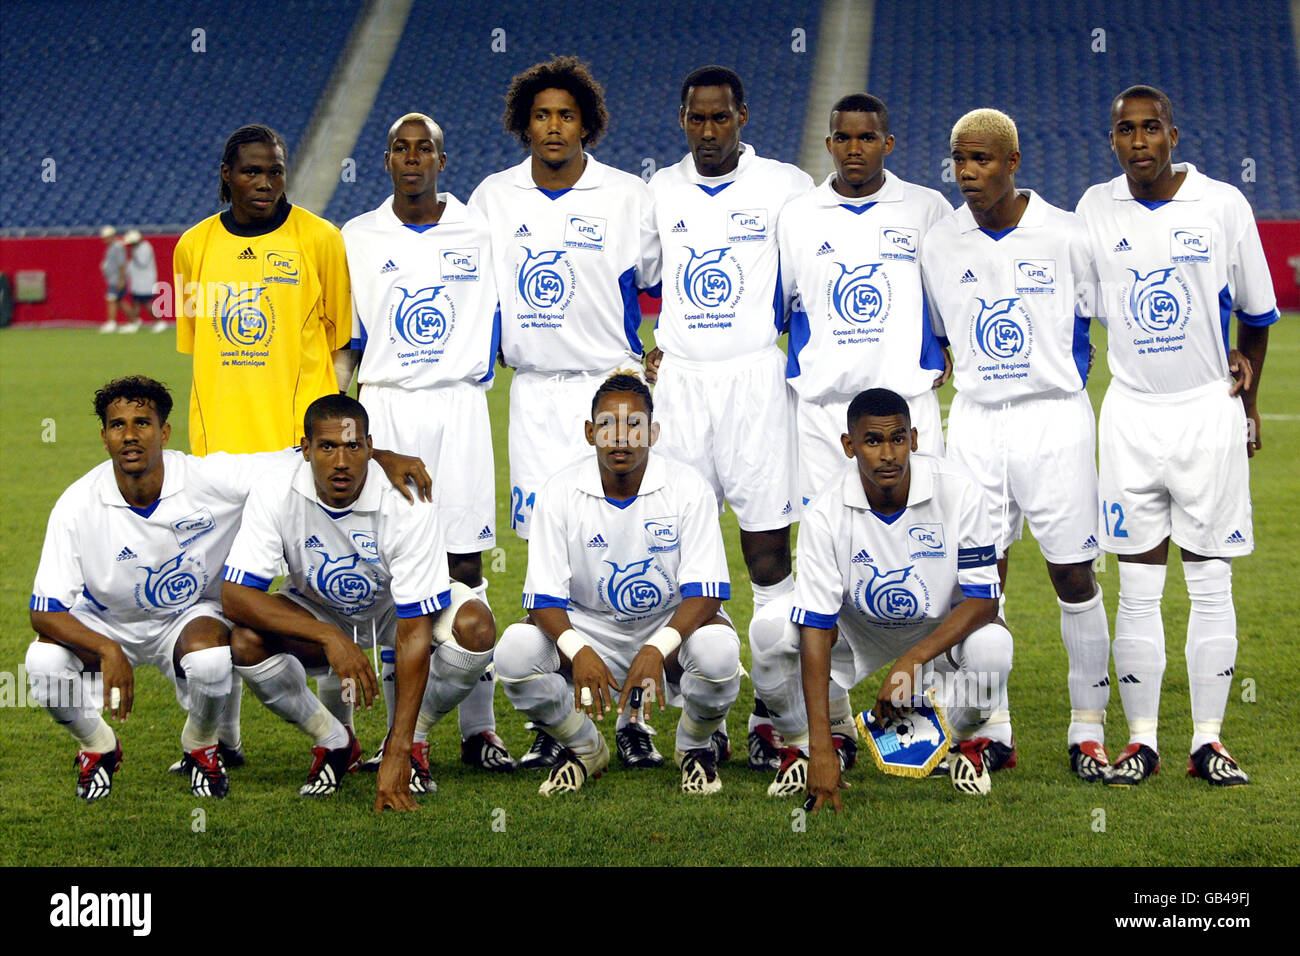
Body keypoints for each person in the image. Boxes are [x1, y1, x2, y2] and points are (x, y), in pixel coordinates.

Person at [24, 377, 432, 802]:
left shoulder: (209, 477)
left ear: (164, 432)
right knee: (42, 662)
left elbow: (306, 455)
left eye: (143, 423)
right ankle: (98, 746)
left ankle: (204, 746)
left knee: (215, 658)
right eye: (118, 425)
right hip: (106, 623)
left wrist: (380, 455)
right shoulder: (76, 504)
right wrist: (107, 649)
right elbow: (45, 611)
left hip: (185, 618)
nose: (130, 435)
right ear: (104, 437)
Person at [1075, 86, 1276, 787]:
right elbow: (1072, 304)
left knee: (1209, 577)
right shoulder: (1095, 209)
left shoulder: (1222, 205)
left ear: (1174, 135)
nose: (1138, 141)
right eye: (1125, 130)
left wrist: (1248, 400)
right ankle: (1142, 742)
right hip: (1129, 415)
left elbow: (1256, 314)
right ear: (1112, 140)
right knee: (1136, 585)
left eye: (1150, 128)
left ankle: (1208, 742)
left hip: (1205, 413)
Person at [919, 108, 1112, 781]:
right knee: (979, 578)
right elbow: (941, 333)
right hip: (974, 422)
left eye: (983, 160)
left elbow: (1098, 319)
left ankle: (1087, 728)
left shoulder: (1066, 235)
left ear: (1014, 161)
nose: (969, 173)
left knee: (1073, 574)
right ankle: (990, 729)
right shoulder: (940, 243)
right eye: (959, 160)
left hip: (1055, 421)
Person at [643, 65, 812, 772]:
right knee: (678, 547)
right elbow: (643, 282)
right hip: (681, 381)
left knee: (767, 547)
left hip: (754, 377)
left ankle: (774, 712)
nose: (707, 130)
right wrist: (645, 353)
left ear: (743, 116)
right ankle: (698, 713)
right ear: (682, 120)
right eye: (695, 118)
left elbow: (808, 286)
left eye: (720, 117)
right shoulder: (659, 190)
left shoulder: (786, 187)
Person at [341, 112, 513, 773]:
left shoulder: (482, 232)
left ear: (444, 159)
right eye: (400, 149)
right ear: (386, 160)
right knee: (393, 576)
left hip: (461, 407)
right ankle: (400, 738)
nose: (412, 159)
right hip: (385, 406)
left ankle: (480, 730)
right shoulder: (358, 236)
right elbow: (349, 347)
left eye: (426, 150)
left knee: (464, 566)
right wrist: (349, 430)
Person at [221, 395, 496, 807]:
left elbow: (415, 632)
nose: (341, 461)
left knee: (475, 627)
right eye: (327, 447)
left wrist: (399, 746)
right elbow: (235, 596)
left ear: (370, 447)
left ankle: (412, 739)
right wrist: (329, 635)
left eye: (353, 447)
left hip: (392, 609)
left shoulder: (407, 498)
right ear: (306, 449)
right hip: (318, 608)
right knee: (245, 642)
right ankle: (333, 739)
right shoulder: (275, 488)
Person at [750, 389, 1013, 803]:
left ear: (915, 439)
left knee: (995, 645)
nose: (888, 453)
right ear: (849, 446)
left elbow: (984, 600)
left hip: (938, 630)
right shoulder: (825, 511)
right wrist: (819, 747)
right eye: (873, 441)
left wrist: (912, 660)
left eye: (898, 439)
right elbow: (816, 627)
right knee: (769, 630)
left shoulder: (961, 491)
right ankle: (807, 745)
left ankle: (958, 740)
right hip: (857, 631)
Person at [494, 374, 740, 795]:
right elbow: (542, 599)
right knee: (514, 653)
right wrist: (579, 649)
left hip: (668, 627)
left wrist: (655, 648)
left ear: (653, 432)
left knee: (719, 652)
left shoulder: (687, 488)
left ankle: (694, 745)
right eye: (608, 424)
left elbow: (706, 591)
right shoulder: (558, 491)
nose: (621, 437)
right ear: (590, 433)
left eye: (634, 426)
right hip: (590, 628)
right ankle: (585, 746)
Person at [469, 55, 656, 545]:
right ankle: (553, 625)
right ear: (524, 125)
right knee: (544, 534)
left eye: (566, 116)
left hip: (612, 387)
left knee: (621, 528)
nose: (554, 127)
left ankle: (627, 622)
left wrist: (668, 347)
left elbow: (667, 281)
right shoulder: (493, 197)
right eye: (542, 115)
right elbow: (474, 293)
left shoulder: (627, 194)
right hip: (533, 395)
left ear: (586, 125)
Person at [779, 93, 953, 505]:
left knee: (924, 529)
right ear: (829, 144)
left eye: (868, 138)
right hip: (825, 408)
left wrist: (945, 343)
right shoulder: (797, 216)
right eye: (843, 138)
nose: (854, 149)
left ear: (887, 143)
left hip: (907, 403)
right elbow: (780, 305)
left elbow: (957, 291)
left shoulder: (927, 208)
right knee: (828, 536)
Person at [174, 123, 352, 456]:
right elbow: (202, 341)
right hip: (218, 442)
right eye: (251, 172)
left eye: (276, 172)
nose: (265, 184)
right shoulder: (192, 247)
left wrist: (333, 408)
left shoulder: (321, 238)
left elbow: (342, 338)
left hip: (298, 439)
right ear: (227, 174)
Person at [117, 230, 159, 334]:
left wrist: (133, 253)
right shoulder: (136, 249)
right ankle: (134, 322)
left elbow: (142, 262)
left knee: (147, 303)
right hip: (138, 281)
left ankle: (159, 322)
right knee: (135, 302)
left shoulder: (145, 248)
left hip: (145, 281)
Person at [97, 226, 126, 333]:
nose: (104, 240)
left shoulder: (117, 247)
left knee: (111, 299)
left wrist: (121, 280)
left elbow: (121, 264)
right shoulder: (113, 247)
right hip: (113, 279)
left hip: (116, 279)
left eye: (106, 237)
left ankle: (112, 322)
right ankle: (134, 320)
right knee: (119, 301)